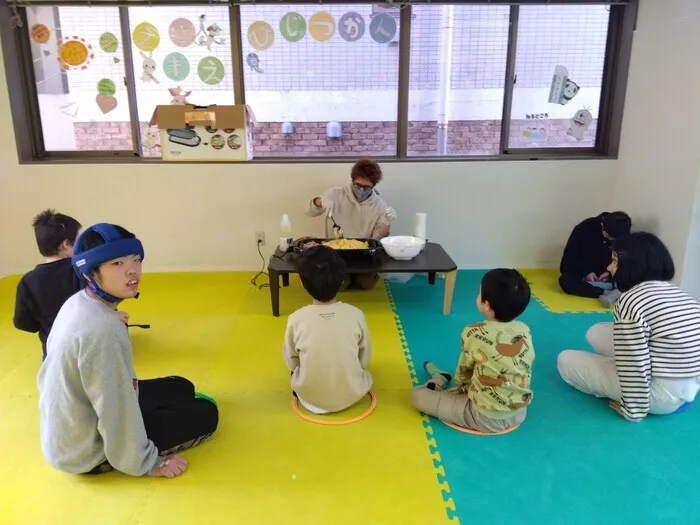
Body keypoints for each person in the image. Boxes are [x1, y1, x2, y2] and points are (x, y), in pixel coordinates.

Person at [38, 223, 219, 477]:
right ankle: (124, 458)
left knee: (182, 386)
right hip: (84, 450)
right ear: (90, 272)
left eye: (135, 260)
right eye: (117, 264)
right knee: (207, 414)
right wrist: (149, 463)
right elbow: (113, 408)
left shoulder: (78, 302)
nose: (133, 271)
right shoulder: (102, 332)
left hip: (71, 425)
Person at [557, 232, 700, 422]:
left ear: (633, 265)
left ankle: (638, 400)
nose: (609, 267)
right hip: (688, 384)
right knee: (596, 332)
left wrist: (634, 409)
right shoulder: (677, 292)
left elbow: (635, 359)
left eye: (615, 262)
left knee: (565, 360)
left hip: (660, 396)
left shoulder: (631, 300)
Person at [411, 269, 534, 433]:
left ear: (486, 304)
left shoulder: (473, 332)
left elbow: (464, 371)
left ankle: (438, 380)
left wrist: (461, 390)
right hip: (519, 412)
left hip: (483, 417)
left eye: (479, 293)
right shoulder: (524, 330)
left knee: (417, 396)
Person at [283, 245, 372, 414]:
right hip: (353, 394)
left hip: (309, 398)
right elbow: (364, 356)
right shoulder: (356, 314)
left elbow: (292, 360)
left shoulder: (295, 319)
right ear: (341, 281)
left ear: (302, 283)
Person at [306, 157, 396, 290]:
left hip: (362, 255)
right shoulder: (335, 194)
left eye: (366, 187)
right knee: (339, 285)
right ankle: (344, 276)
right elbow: (309, 211)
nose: (361, 190)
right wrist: (320, 201)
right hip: (334, 254)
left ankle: (357, 275)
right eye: (357, 185)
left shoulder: (380, 205)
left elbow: (377, 238)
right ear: (352, 180)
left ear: (373, 186)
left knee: (366, 284)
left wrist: (386, 223)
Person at [13, 210, 84, 360]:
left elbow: (22, 322)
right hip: (88, 347)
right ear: (65, 244)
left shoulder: (27, 281)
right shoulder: (81, 270)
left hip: (54, 352)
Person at [558, 211, 632, 306]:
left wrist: (610, 273)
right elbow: (568, 261)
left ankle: (615, 289)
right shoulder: (584, 228)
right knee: (565, 280)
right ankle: (606, 292)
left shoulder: (623, 234)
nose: (610, 240)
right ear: (602, 225)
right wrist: (585, 272)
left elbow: (625, 261)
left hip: (608, 277)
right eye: (608, 237)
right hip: (584, 277)